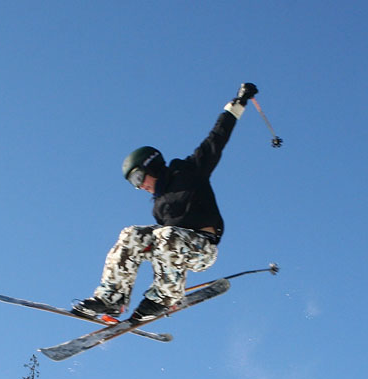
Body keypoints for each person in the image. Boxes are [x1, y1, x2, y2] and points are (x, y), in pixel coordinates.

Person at [72, 82, 258, 323]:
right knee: (131, 235)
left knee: (166, 234)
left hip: (203, 248)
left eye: (138, 178)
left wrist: (238, 103)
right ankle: (111, 298)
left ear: (151, 166)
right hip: (174, 247)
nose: (140, 187)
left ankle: (164, 298)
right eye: (134, 184)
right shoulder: (158, 205)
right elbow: (161, 252)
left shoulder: (190, 170)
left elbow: (217, 138)